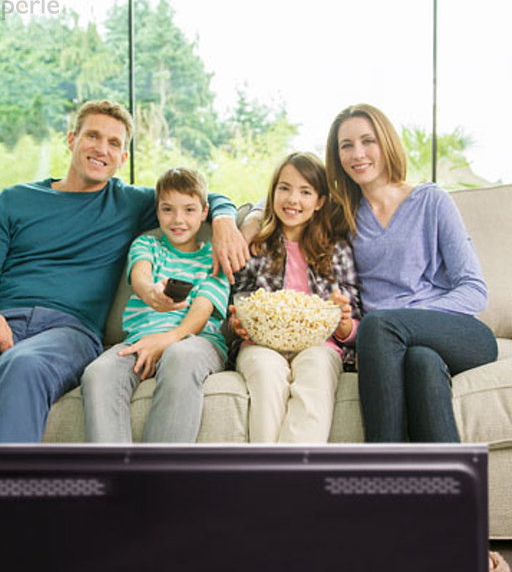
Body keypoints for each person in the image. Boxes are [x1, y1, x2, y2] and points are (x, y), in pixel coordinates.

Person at [0, 100, 249, 572]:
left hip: (67, 329)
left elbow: (195, 198)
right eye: (93, 136)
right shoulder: (14, 200)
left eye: (114, 143)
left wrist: (227, 218)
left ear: (123, 157)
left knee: (22, 369)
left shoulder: (130, 203)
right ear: (71, 140)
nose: (102, 148)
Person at [325, 103, 498, 443]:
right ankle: (448, 492)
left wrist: (404, 321)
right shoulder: (342, 213)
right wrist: (242, 217)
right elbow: (283, 197)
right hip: (396, 346)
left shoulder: (431, 201)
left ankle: (381, 471)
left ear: (386, 142)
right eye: (346, 145)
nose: (357, 153)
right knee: (422, 364)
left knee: (380, 323)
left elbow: (474, 289)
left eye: (367, 141)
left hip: (460, 334)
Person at [82, 167, 230, 442]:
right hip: (140, 340)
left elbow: (203, 307)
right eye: (167, 209)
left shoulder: (215, 255)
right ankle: (117, 478)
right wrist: (151, 292)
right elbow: (140, 275)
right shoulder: (147, 243)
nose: (178, 220)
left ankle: (160, 479)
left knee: (179, 356)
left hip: (195, 340)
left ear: (204, 211)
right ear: (157, 210)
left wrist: (169, 339)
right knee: (98, 373)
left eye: (189, 209)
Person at [230, 152, 361, 443]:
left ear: (320, 202)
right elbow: (236, 302)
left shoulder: (337, 250)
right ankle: (276, 478)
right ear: (272, 192)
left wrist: (344, 324)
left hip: (320, 344)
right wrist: (236, 323)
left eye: (305, 192)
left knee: (315, 376)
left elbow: (354, 317)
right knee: (266, 376)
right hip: (261, 343)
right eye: (284, 188)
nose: (293, 199)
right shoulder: (255, 246)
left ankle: (288, 480)